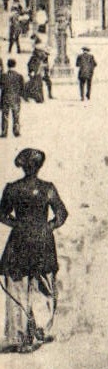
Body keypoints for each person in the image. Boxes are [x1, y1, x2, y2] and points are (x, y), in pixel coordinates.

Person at [1, 147, 68, 352]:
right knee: (43, 286)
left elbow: (2, 215)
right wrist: (48, 227)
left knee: (18, 286)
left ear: (23, 166)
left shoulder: (12, 188)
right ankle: (40, 329)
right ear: (38, 167)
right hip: (42, 241)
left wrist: (18, 225)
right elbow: (62, 214)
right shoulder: (47, 188)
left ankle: (19, 335)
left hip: (19, 240)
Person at [1, 60, 25, 138]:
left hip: (5, 98)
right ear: (15, 65)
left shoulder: (3, 76)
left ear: (7, 65)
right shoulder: (19, 76)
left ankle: (4, 132)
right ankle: (16, 132)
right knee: (16, 116)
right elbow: (22, 88)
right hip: (15, 98)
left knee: (5, 116)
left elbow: (1, 86)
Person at [26, 39, 51, 103]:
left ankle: (42, 98)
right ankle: (38, 98)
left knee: (41, 84)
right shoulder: (35, 56)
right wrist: (31, 72)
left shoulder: (42, 55)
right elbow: (30, 65)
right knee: (37, 85)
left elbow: (46, 63)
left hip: (41, 72)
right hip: (37, 72)